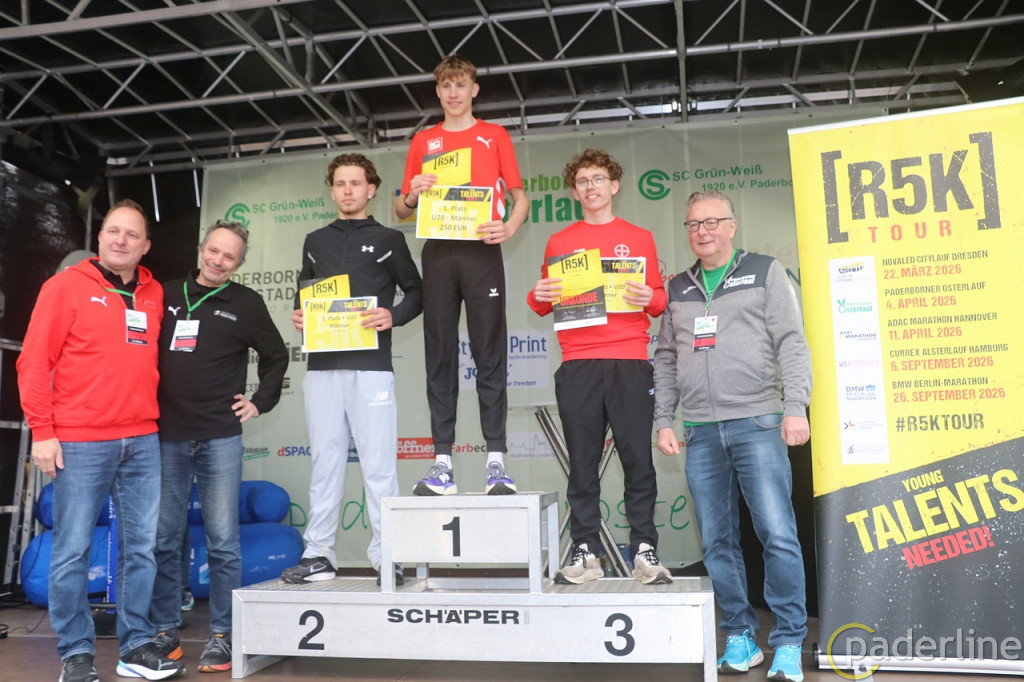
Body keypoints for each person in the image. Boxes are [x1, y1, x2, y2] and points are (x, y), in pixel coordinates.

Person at [17, 199, 185, 682]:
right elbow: (34, 362)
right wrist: (42, 432)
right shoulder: (64, 286)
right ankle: (75, 653)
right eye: (114, 230)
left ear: (146, 246)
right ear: (99, 236)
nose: (121, 240)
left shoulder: (153, 293)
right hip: (80, 440)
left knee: (141, 549)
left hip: (143, 439)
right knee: (71, 550)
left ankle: (136, 647)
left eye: (132, 234)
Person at [653, 190, 811, 682]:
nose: (702, 231)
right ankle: (740, 635)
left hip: (759, 422)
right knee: (718, 542)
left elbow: (791, 341)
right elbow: (665, 357)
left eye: (712, 222)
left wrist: (796, 406)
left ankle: (788, 640)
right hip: (700, 431)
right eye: (693, 224)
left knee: (777, 534)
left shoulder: (764, 271)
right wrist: (663, 419)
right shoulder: (677, 287)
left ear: (731, 226)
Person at [527, 149, 672, 586]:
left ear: (614, 185)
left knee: (638, 461)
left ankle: (644, 550)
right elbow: (541, 302)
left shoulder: (640, 237)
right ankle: (585, 552)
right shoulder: (559, 242)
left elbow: (659, 301)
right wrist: (538, 292)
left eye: (599, 179)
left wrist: (650, 297)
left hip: (630, 361)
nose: (591, 187)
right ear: (574, 192)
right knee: (583, 465)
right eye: (583, 181)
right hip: (578, 363)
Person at [149, 220, 288, 673]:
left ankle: (223, 635)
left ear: (239, 264)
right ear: (201, 248)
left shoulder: (247, 303)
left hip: (220, 437)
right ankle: (166, 630)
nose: (218, 261)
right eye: (213, 250)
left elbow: (276, 356)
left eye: (229, 256)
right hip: (166, 435)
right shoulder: (166, 293)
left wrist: (260, 401)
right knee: (165, 539)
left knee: (224, 542)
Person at [281, 153, 423, 585]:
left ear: (371, 189)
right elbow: (305, 293)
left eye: (356, 183)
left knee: (379, 465)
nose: (348, 190)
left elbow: (417, 292)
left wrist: (392, 315)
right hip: (321, 368)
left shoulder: (389, 239)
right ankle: (319, 554)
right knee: (325, 462)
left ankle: (388, 556)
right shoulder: (314, 240)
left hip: (371, 367)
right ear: (332, 191)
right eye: (340, 184)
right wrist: (299, 313)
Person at [395, 53, 528, 496]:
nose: (454, 93)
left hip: (481, 252)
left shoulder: (494, 135)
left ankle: (496, 463)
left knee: (489, 354)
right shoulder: (424, 140)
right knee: (440, 355)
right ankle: (442, 464)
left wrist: (509, 227)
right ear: (438, 92)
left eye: (461, 85)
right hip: (438, 254)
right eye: (446, 86)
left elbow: (520, 197)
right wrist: (411, 195)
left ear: (474, 90)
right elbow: (400, 209)